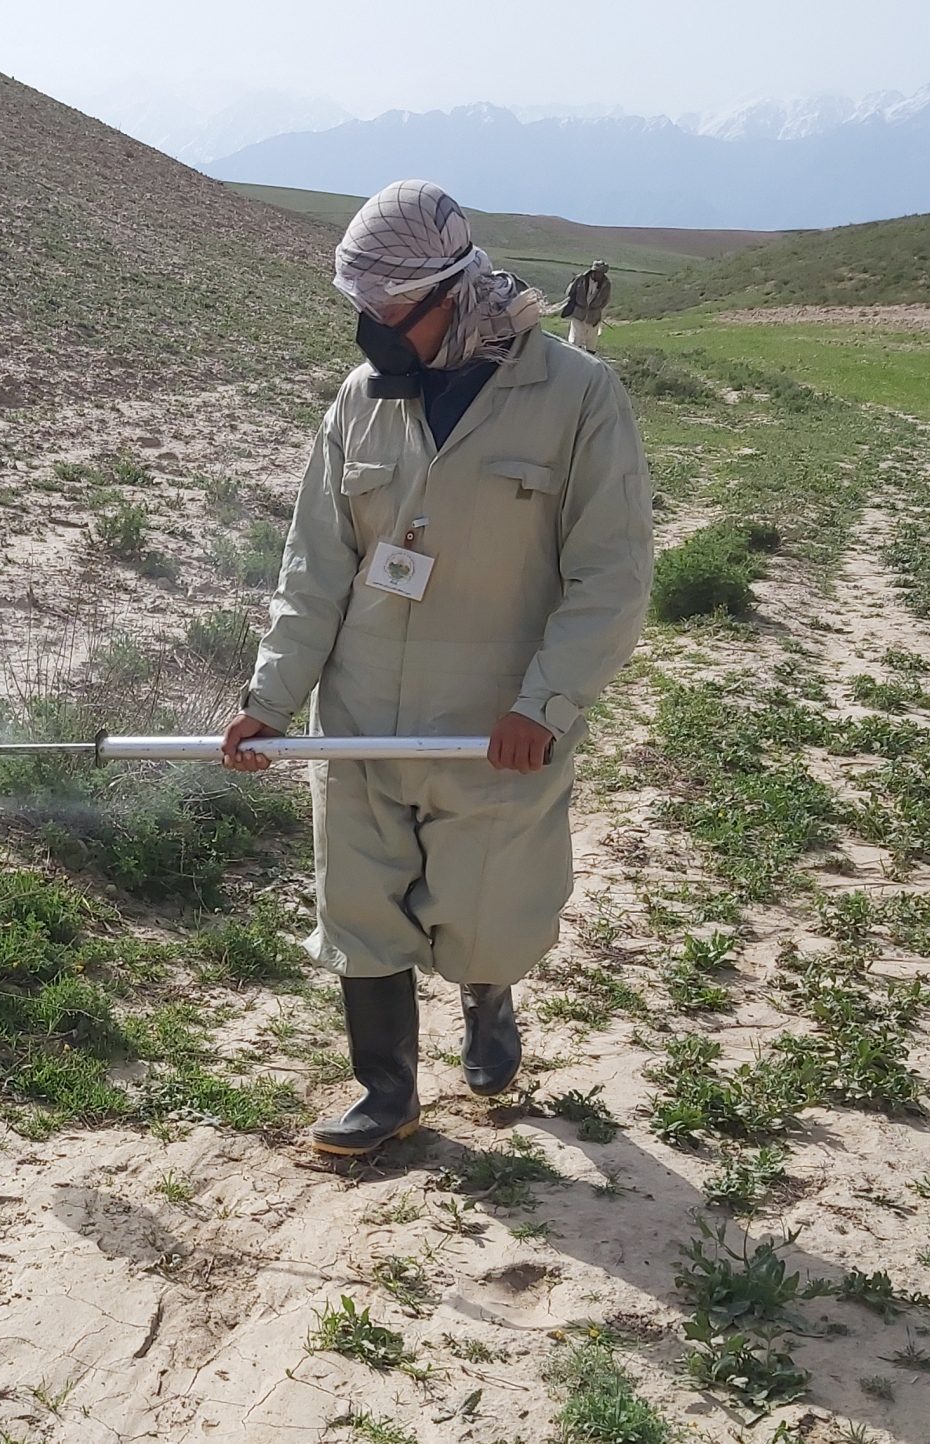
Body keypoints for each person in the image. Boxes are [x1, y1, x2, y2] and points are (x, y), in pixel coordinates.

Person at [220, 181, 651, 1156]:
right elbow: (313, 567)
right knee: (361, 907)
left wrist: (544, 702)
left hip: (493, 721)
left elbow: (610, 576)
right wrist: (270, 701)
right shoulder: (359, 403)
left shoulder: (577, 399)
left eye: (389, 313)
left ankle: (488, 1003)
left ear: (452, 292)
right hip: (364, 711)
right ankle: (387, 1093)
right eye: (360, 311)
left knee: (484, 906)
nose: (371, 331)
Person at [563, 259, 612, 353]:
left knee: (591, 342)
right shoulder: (580, 279)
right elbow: (569, 292)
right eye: (598, 272)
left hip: (593, 316)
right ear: (593, 271)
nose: (599, 275)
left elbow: (606, 300)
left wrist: (595, 309)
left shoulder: (606, 284)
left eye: (601, 273)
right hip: (579, 313)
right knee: (575, 340)